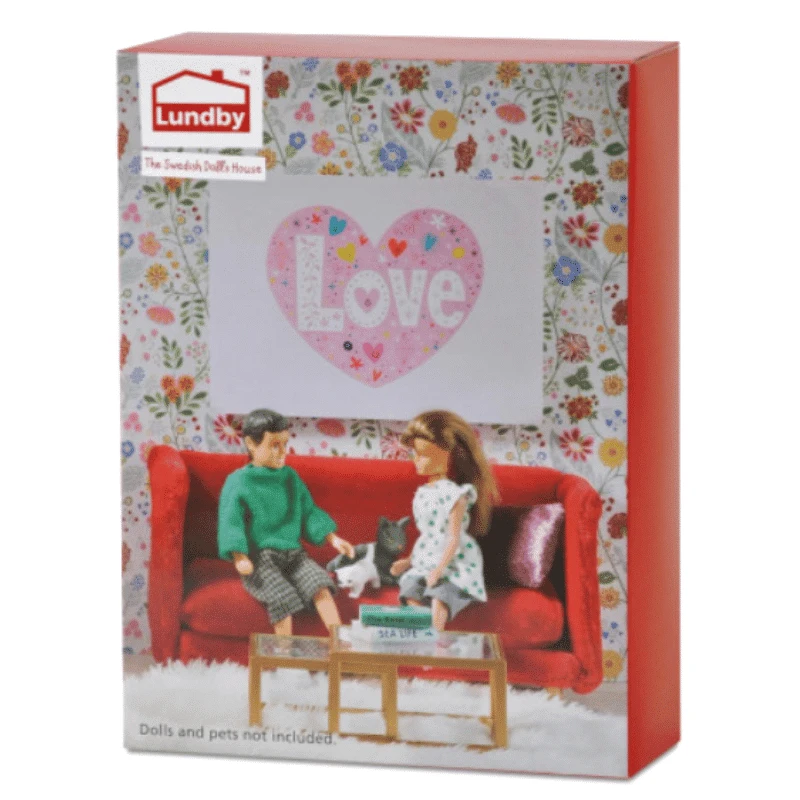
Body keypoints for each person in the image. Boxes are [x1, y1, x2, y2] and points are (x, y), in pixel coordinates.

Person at [217, 408, 355, 636]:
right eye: (274, 445)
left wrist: (332, 538)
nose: (283, 451)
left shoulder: (290, 477)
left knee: (320, 585)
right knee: (282, 598)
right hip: (261, 559)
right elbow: (231, 521)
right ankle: (285, 652)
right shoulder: (239, 481)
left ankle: (340, 641)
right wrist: (239, 556)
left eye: (284, 444)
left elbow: (308, 512)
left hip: (294, 555)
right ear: (251, 444)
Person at [390, 410, 499, 631]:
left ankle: (434, 637)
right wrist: (408, 561)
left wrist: (439, 569)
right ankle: (421, 631)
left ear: (449, 455)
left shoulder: (456, 495)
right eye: (414, 453)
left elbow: (453, 538)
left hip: (455, 561)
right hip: (427, 558)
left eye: (423, 454)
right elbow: (427, 537)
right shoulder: (422, 493)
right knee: (410, 589)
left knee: (440, 595)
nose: (416, 460)